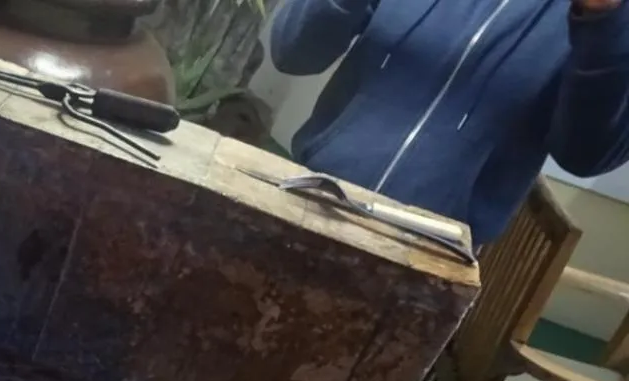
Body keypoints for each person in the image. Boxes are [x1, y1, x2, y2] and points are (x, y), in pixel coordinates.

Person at [268, 0, 629, 243]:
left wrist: (603, 22)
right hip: (311, 199)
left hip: (433, 254)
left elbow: (590, 155)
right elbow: (293, 52)